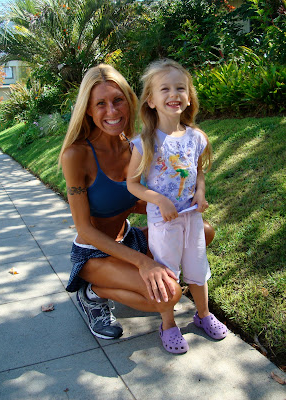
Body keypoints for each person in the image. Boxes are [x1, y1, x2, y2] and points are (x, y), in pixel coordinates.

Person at [59, 63, 215, 347]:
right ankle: (93, 293)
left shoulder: (135, 145)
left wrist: (180, 202)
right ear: (89, 110)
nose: (112, 111)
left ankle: (133, 281)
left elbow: (137, 200)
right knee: (170, 295)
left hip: (128, 240)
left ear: (131, 102)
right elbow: (84, 228)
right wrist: (144, 264)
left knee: (204, 231)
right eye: (101, 104)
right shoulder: (76, 155)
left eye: (118, 100)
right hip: (94, 254)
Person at [127, 59, 228, 354]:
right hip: (163, 222)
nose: (174, 94)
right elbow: (132, 185)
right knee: (168, 273)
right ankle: (168, 323)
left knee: (198, 267)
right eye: (165, 88)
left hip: (191, 218)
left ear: (189, 96)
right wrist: (159, 199)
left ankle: (203, 314)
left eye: (180, 88)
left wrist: (199, 192)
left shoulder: (196, 137)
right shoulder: (144, 142)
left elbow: (199, 171)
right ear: (151, 100)